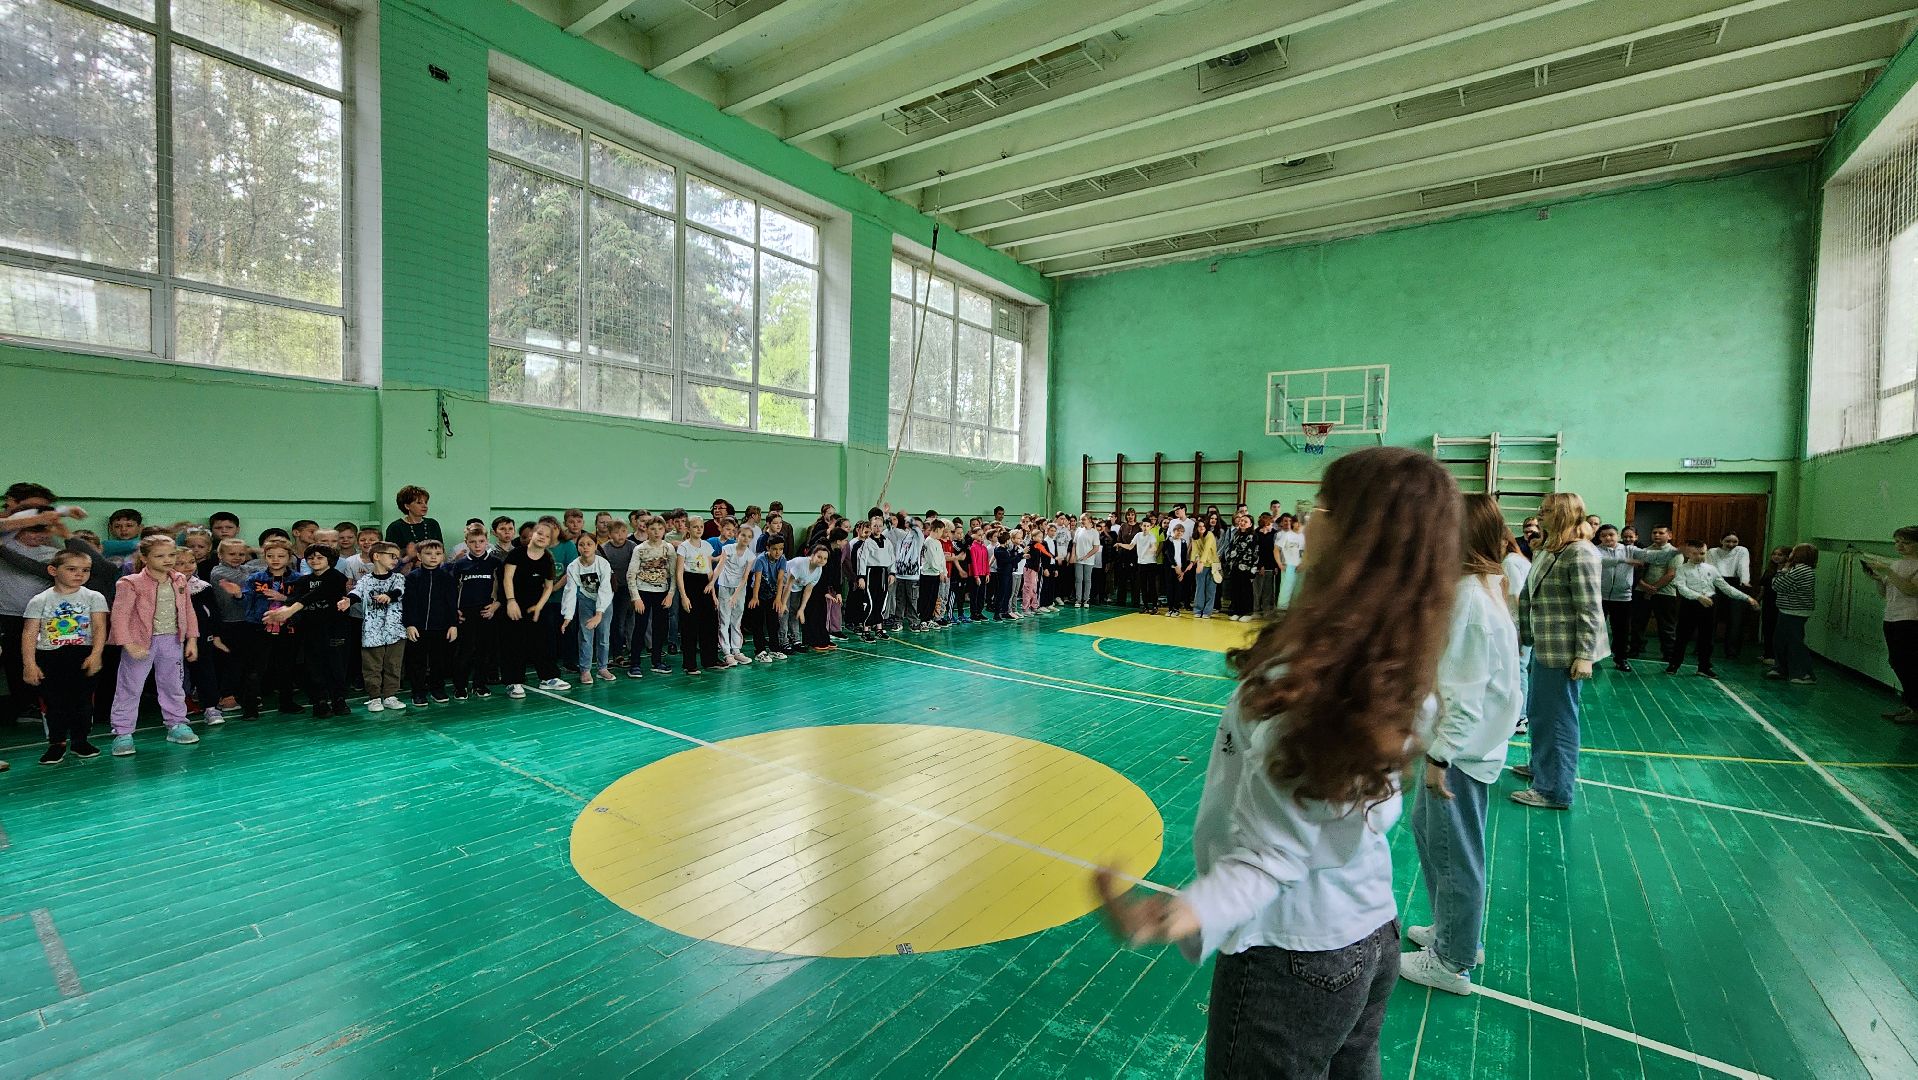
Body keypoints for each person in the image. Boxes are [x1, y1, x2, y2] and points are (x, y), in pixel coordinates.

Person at [1094, 447, 1461, 1078]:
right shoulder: (1398, 664)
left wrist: (1182, 911)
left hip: (1291, 953)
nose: (1304, 520)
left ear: (1351, 539)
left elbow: (1273, 856)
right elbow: (1356, 815)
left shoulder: (1307, 687)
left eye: (1318, 507)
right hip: (1370, 929)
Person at [1399, 493, 1521, 996]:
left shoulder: (1470, 600)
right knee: (1433, 839)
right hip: (1463, 748)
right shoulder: (1479, 587)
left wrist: (1438, 758)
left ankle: (1452, 959)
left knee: (1454, 854)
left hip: (1460, 755)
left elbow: (1466, 698)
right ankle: (1454, 930)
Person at [1511, 493, 1607, 811]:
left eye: (1548, 511)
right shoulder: (1551, 550)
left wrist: (1584, 655)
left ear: (1565, 514)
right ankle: (1542, 768)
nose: (1541, 515)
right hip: (1545, 646)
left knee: (1558, 720)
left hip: (1564, 652)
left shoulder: (1580, 553)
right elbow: (1530, 596)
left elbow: (1590, 609)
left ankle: (1554, 790)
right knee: (1540, 713)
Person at [107, 535, 202, 756]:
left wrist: (192, 640)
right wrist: (128, 644)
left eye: (171, 555)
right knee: (130, 687)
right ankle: (122, 732)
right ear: (145, 557)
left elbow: (188, 611)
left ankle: (177, 723)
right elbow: (120, 616)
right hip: (140, 642)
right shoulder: (130, 583)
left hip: (172, 639)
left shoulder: (179, 580)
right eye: (160, 556)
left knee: (173, 684)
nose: (167, 560)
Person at [21, 550, 110, 764]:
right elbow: (30, 633)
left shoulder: (94, 597)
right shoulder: (40, 600)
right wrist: (29, 664)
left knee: (83, 702)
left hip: (82, 654)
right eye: (72, 569)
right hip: (50, 657)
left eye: (85, 570)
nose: (79, 574)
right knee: (54, 703)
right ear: (53, 570)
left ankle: (80, 740)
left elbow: (100, 627)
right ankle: (57, 742)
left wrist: (96, 654)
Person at [1666, 540, 1759, 679]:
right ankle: (1674, 664)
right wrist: (1698, 597)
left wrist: (1747, 598)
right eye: (1694, 553)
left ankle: (1704, 667)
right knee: (1682, 636)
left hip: (1709, 604)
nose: (1699, 556)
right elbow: (1682, 588)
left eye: (1702, 553)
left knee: (1707, 638)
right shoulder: (1682, 569)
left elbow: (1726, 588)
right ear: (1688, 553)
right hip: (1690, 605)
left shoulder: (1711, 569)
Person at [501, 522, 568, 698]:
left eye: (546, 536)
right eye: (539, 533)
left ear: (549, 541)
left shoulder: (547, 559)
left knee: (542, 641)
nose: (542, 537)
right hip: (515, 604)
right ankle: (513, 682)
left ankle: (548, 677)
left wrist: (539, 606)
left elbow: (548, 586)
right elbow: (507, 578)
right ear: (532, 534)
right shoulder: (516, 554)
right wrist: (511, 601)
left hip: (536, 606)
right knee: (515, 643)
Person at [1860, 526, 1918, 723]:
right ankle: (1910, 703)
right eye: (1897, 542)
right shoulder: (1896, 564)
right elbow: (1886, 593)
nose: (1900, 546)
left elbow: (1911, 590)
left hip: (1911, 619)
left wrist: (1887, 572)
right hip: (1892, 617)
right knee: (1896, 661)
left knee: (1908, 662)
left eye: (1906, 542)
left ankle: (1915, 707)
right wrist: (1878, 578)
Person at [402, 539, 459, 703]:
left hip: (441, 627)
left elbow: (451, 603)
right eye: (428, 553)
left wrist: (453, 624)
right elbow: (408, 603)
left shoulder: (447, 578)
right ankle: (418, 692)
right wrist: (410, 624)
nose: (433, 557)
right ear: (419, 556)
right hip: (418, 628)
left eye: (438, 554)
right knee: (417, 661)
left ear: (442, 556)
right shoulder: (412, 578)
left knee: (439, 661)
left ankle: (437, 689)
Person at [355, 542, 410, 712]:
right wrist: (346, 601)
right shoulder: (365, 580)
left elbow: (399, 591)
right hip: (372, 630)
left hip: (395, 630)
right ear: (377, 556)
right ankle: (374, 697)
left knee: (393, 664)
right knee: (372, 665)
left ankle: (390, 695)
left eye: (397, 557)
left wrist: (388, 595)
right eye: (391, 556)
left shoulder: (398, 578)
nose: (396, 560)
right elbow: (356, 593)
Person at [451, 526, 502, 698]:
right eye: (472, 542)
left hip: (488, 612)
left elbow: (504, 588)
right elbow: (452, 590)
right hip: (465, 614)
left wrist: (496, 605)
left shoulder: (495, 563)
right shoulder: (459, 565)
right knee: (465, 651)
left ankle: (480, 684)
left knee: (484, 650)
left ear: (487, 541)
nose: (477, 545)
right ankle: (460, 686)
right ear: (466, 543)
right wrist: (455, 610)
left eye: (481, 541)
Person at [561, 532, 615, 683]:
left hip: (604, 603)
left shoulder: (603, 564)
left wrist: (599, 614)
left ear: (595, 546)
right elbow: (570, 592)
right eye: (581, 544)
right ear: (577, 547)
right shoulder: (573, 566)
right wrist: (567, 617)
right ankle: (585, 670)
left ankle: (602, 668)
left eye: (589, 544)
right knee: (585, 636)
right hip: (585, 601)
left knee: (604, 636)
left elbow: (605, 589)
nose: (585, 547)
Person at [625, 518, 675, 677]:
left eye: (660, 529)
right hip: (643, 592)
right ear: (647, 530)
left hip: (662, 593)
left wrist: (670, 595)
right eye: (653, 529)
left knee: (660, 629)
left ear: (664, 530)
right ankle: (634, 664)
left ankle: (657, 661)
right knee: (640, 627)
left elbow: (673, 574)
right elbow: (631, 574)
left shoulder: (669, 549)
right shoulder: (639, 549)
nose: (656, 532)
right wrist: (636, 597)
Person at [1763, 545, 1818, 686]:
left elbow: (1778, 585)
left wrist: (1782, 571)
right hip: (1787, 609)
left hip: (1796, 610)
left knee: (1795, 642)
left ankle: (1803, 674)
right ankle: (1782, 668)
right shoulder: (1797, 569)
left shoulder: (1801, 570)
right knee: (1780, 640)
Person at [676, 515, 721, 674]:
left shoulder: (707, 546)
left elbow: (709, 570)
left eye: (701, 526)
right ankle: (689, 664)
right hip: (689, 583)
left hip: (705, 585)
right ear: (688, 529)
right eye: (695, 527)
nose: (699, 529)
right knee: (690, 625)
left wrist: (713, 594)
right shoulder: (684, 547)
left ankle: (710, 660)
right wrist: (683, 596)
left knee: (709, 623)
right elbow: (679, 572)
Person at [1631, 526, 1682, 665]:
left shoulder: (1674, 553)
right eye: (1654, 532)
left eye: (1661, 533)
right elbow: (1636, 573)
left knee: (1666, 625)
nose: (1657, 535)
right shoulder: (1644, 551)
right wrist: (1644, 587)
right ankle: (1634, 649)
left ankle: (1669, 653)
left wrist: (1652, 589)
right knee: (1637, 622)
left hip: (1665, 594)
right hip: (1641, 591)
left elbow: (1671, 574)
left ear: (1669, 535)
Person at [1593, 524, 1639, 672]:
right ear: (1599, 537)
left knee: (1622, 630)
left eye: (1611, 534)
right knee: (1595, 628)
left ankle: (1621, 659)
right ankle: (1591, 658)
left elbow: (1647, 555)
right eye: (1604, 535)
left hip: (1623, 597)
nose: (1608, 538)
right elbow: (1601, 561)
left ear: (1617, 535)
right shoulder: (1595, 551)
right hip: (1600, 596)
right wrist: (1623, 561)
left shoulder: (1629, 550)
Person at [1706, 533, 1754, 660]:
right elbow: (1709, 568)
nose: (1731, 545)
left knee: (1735, 620)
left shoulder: (1742, 551)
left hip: (1736, 583)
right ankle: (1704, 647)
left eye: (1734, 542)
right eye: (1727, 541)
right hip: (1716, 582)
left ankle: (1732, 651)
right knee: (1711, 618)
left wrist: (1745, 581)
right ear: (1721, 541)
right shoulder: (1712, 552)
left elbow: (1743, 566)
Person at [1757, 545, 1791, 666]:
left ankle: (1775, 655)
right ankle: (1767, 653)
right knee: (1767, 628)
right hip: (1768, 603)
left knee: (1777, 630)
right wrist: (1757, 600)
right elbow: (1763, 588)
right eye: (1774, 554)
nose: (1776, 557)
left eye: (1780, 555)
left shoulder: (1788, 571)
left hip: (1781, 603)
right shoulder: (1770, 570)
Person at [1225, 511, 1260, 621]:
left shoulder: (1253, 537)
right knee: (1235, 590)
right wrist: (1229, 564)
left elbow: (1256, 554)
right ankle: (1236, 611)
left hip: (1247, 569)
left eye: (1245, 521)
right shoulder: (1236, 535)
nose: (1242, 523)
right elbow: (1231, 550)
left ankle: (1247, 613)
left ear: (1250, 524)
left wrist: (1253, 571)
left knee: (1246, 591)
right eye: (1241, 521)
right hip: (1235, 567)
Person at [1190, 520, 1220, 619]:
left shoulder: (1210, 535)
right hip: (1200, 565)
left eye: (1203, 526)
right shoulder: (1194, 537)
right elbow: (1194, 550)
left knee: (1211, 590)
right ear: (1196, 528)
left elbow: (1207, 549)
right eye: (1199, 526)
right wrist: (1192, 562)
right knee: (1199, 589)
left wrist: (1201, 562)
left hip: (1213, 565)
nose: (1202, 528)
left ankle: (1207, 611)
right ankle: (1198, 609)